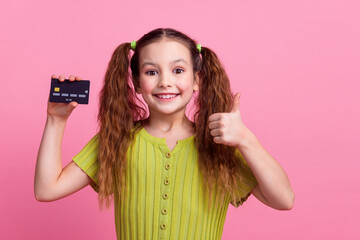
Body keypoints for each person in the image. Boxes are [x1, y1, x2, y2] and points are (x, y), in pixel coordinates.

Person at [34, 28, 295, 240]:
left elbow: (284, 199)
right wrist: (56, 121)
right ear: (136, 82)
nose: (165, 82)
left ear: (196, 81)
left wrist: (246, 140)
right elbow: (47, 189)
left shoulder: (219, 145)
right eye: (151, 72)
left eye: (178, 70)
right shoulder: (117, 140)